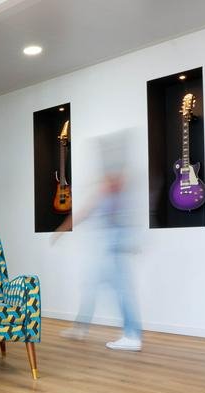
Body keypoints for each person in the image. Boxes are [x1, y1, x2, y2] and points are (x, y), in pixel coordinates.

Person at [52, 129, 142, 351]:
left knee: (120, 289)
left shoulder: (114, 188)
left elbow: (87, 210)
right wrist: (63, 229)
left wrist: (62, 229)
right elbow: (86, 211)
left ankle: (131, 335)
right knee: (92, 284)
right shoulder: (109, 190)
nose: (109, 178)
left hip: (113, 244)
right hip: (108, 245)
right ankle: (81, 327)